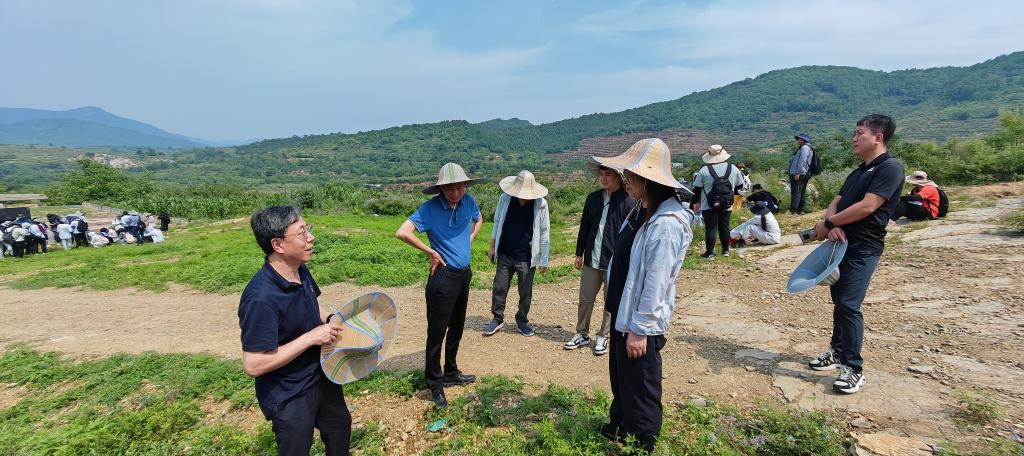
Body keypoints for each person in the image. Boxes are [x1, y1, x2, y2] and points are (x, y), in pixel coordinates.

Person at [592, 138, 693, 454]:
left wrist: (641, 329)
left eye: (631, 175)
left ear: (649, 180)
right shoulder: (641, 209)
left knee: (641, 387)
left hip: (638, 323)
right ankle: (620, 427)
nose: (626, 180)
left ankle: (642, 442)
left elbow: (656, 281)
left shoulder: (666, 224)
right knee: (622, 380)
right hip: (623, 315)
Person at [238, 205, 351, 455]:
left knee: (340, 430)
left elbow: (312, 305)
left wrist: (330, 318)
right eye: (302, 233)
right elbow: (253, 365)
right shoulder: (260, 299)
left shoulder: (299, 270)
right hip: (288, 391)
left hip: (321, 375)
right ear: (278, 245)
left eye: (308, 229)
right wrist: (310, 338)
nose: (311, 237)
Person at [808, 114, 904, 395]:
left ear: (878, 137)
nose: (854, 138)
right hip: (841, 246)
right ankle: (837, 351)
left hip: (864, 248)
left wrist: (829, 223)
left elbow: (867, 206)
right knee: (839, 302)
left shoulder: (889, 168)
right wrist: (832, 224)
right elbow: (836, 201)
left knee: (849, 304)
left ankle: (853, 368)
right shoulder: (859, 171)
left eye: (860, 133)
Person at [395, 162, 482, 409]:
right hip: (443, 277)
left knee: (457, 326)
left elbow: (479, 219)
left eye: (460, 187)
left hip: (464, 275)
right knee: (437, 331)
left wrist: (468, 240)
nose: (456, 192)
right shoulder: (430, 209)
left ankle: (451, 372)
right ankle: (435, 383)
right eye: (450, 188)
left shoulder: (468, 201)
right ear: (441, 189)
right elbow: (402, 232)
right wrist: (431, 252)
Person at [564, 165, 636, 356]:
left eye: (608, 175)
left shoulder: (628, 200)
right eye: (601, 175)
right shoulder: (593, 198)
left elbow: (632, 233)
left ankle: (603, 335)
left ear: (618, 178)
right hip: (592, 258)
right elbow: (584, 226)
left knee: (609, 301)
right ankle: (582, 333)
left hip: (614, 260)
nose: (603, 178)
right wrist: (579, 252)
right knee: (585, 299)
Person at [484, 170, 550, 337]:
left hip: (526, 257)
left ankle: (522, 321)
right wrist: (492, 247)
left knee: (525, 292)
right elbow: (497, 222)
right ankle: (497, 319)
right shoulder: (505, 199)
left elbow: (545, 232)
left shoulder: (541, 204)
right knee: (499, 287)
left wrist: (544, 259)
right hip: (505, 252)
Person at [691, 145, 745, 259]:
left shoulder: (704, 170)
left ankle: (710, 253)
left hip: (708, 205)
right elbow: (740, 186)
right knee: (724, 227)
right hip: (727, 204)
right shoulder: (733, 168)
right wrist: (728, 192)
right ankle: (725, 251)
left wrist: (694, 203)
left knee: (711, 228)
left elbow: (696, 189)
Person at [789, 133, 814, 214]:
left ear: (803, 140)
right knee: (801, 191)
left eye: (799, 139)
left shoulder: (804, 148)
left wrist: (798, 173)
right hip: (803, 173)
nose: (797, 140)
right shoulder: (807, 147)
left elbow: (803, 160)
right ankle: (800, 210)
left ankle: (794, 210)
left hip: (799, 174)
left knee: (796, 192)